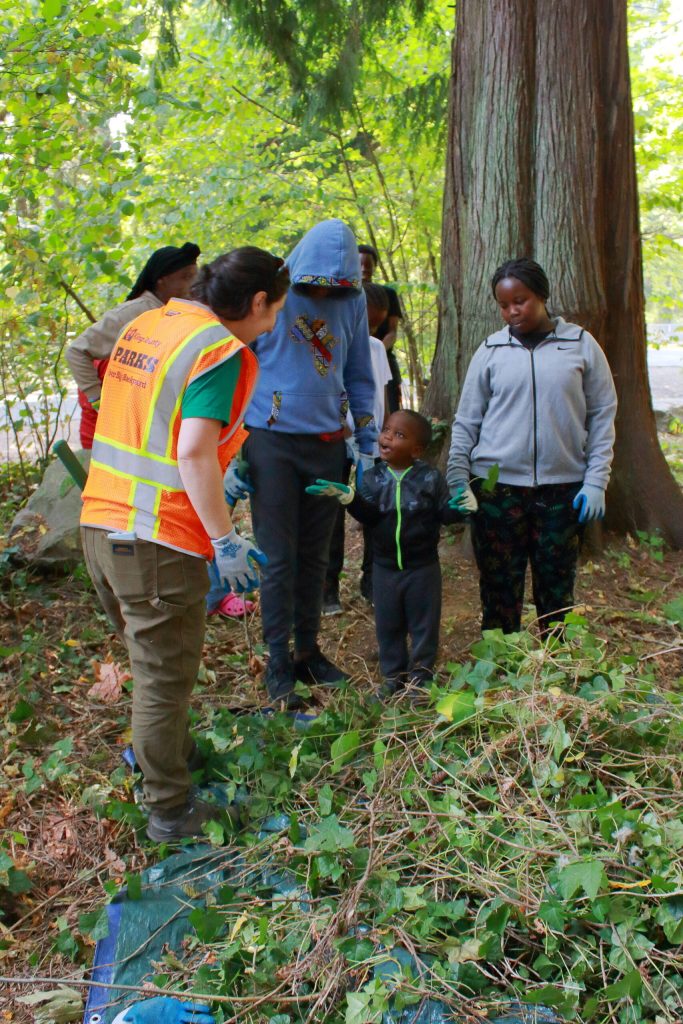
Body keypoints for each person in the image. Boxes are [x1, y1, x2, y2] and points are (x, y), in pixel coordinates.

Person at [80, 247, 289, 841]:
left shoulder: (153, 323)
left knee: (153, 668)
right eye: (275, 310)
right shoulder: (217, 350)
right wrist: (225, 538)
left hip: (102, 522)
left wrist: (221, 476)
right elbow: (191, 450)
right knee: (163, 679)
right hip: (153, 541)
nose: (273, 323)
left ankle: (169, 753)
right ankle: (170, 807)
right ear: (255, 303)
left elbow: (154, 422)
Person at [230, 220, 376, 709]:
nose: (324, 296)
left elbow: (357, 372)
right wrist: (235, 447)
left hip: (328, 444)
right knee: (277, 557)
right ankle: (277, 662)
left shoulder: (352, 301)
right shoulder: (271, 292)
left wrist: (368, 437)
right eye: (316, 286)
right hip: (271, 443)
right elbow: (239, 362)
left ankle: (307, 650)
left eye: (336, 288)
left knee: (316, 555)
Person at [447, 258, 618, 634]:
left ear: (541, 295)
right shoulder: (490, 350)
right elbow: (467, 420)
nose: (512, 311)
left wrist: (595, 482)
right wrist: (458, 479)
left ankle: (554, 667)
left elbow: (603, 415)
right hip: (495, 489)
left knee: (556, 586)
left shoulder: (580, 344)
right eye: (504, 305)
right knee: (498, 585)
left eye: (520, 301)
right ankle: (500, 663)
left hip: (562, 490)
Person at [308, 410, 465, 696]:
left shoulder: (430, 478)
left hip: (423, 568)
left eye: (399, 435)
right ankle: (393, 676)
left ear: (417, 450)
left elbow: (443, 513)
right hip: (384, 568)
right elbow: (370, 515)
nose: (387, 437)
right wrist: (350, 497)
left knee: (423, 625)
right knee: (388, 624)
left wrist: (459, 509)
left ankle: (422, 678)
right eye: (387, 430)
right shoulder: (372, 477)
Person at [66, 243, 201, 449]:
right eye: (185, 277)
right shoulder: (135, 312)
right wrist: (98, 400)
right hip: (105, 436)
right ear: (161, 279)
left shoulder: (176, 314)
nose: (193, 284)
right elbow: (76, 351)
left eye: (195, 276)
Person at [323, 282, 393, 614]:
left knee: (375, 512)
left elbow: (384, 397)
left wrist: (388, 434)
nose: (370, 328)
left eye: (376, 323)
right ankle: (327, 588)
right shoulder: (328, 342)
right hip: (335, 439)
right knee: (331, 511)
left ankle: (372, 580)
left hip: (372, 442)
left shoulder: (377, 349)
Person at [358, 244, 403, 413]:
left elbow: (392, 331)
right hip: (354, 354)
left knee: (388, 401)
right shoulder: (345, 295)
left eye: (368, 266)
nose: (364, 270)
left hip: (383, 354)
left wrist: (377, 351)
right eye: (360, 265)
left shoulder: (386, 294)